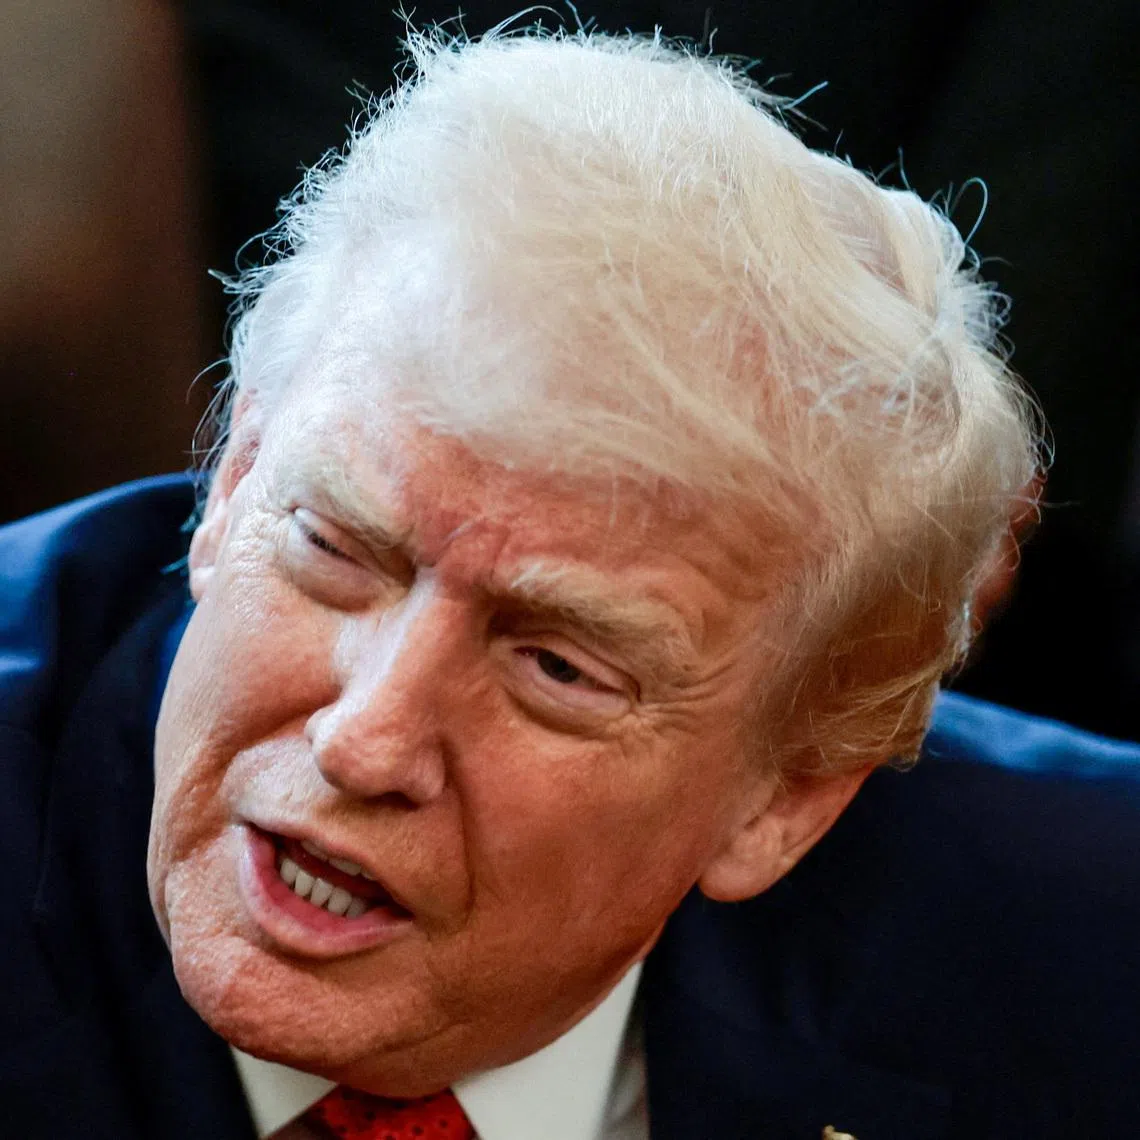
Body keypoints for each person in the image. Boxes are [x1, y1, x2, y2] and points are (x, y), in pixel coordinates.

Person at [2, 27, 1138, 1140]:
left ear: (789, 796)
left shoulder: (1093, 951)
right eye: (335, 551)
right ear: (237, 475)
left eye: (556, 665)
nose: (367, 740)